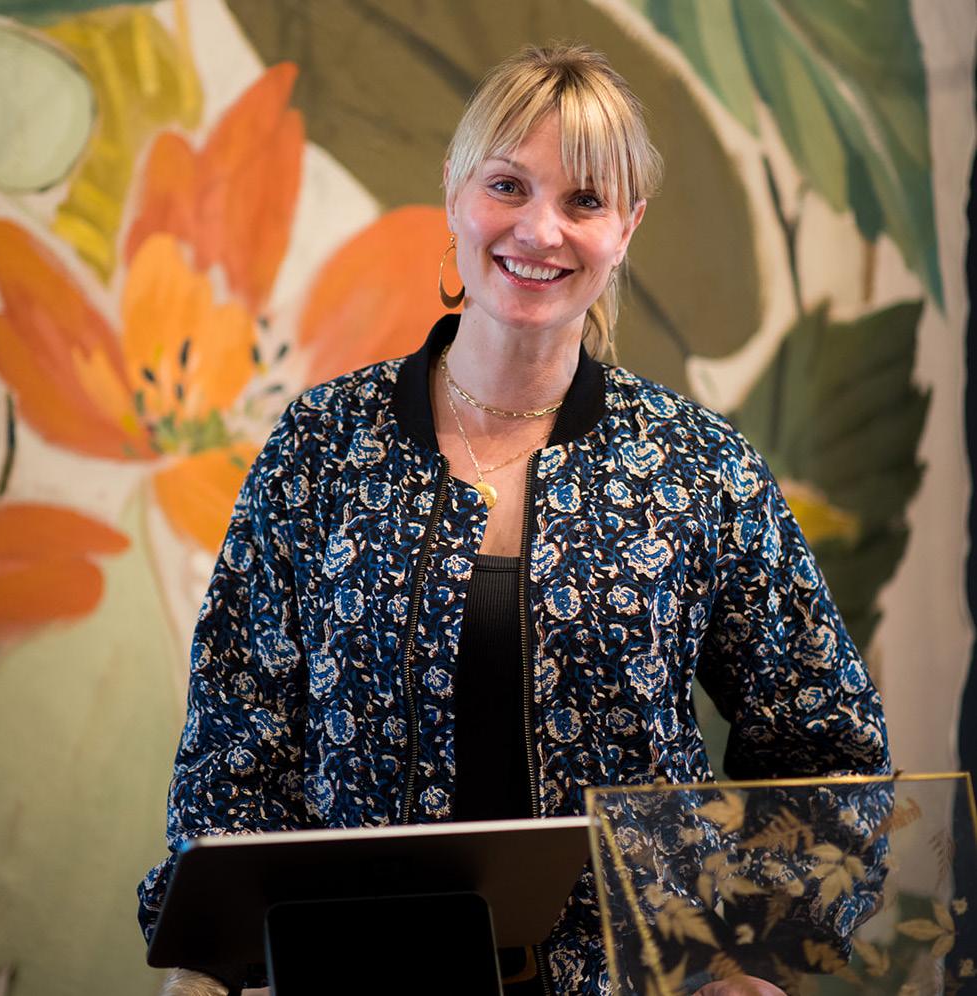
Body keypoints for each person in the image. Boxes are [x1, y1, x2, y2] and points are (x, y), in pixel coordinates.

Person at [138, 42, 890, 996]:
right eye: (508, 186)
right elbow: (236, 736)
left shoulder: (700, 467)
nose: (540, 231)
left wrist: (754, 953)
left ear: (627, 228)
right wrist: (212, 962)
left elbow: (829, 747)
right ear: (456, 193)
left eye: (585, 200)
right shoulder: (322, 445)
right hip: (354, 973)